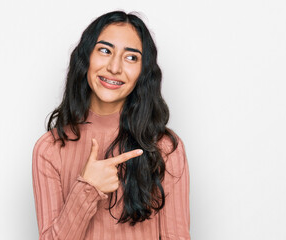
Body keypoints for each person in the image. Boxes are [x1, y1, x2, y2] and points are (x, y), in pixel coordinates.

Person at [32, 10, 190, 240]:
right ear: (86, 57)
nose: (114, 68)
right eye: (105, 51)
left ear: (142, 73)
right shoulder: (50, 149)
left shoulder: (165, 148)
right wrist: (87, 188)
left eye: (131, 57)